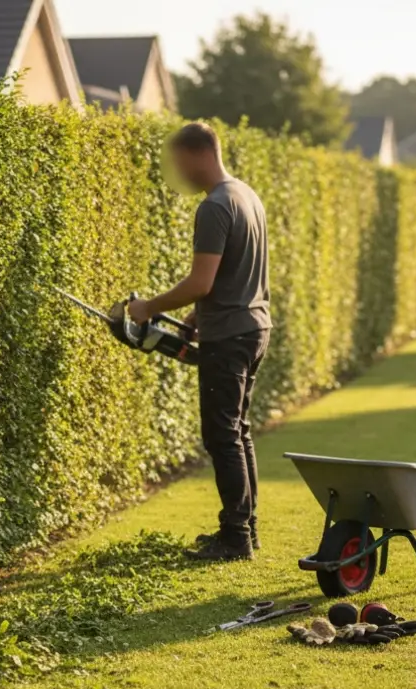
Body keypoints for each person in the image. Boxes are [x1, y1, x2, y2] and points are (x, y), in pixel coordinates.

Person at [127, 122, 271, 561]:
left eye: (180, 163)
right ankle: (245, 529)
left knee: (222, 435)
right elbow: (232, 276)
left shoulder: (214, 206)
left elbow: (201, 282)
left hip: (229, 335)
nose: (179, 173)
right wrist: (196, 315)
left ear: (198, 154)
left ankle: (235, 539)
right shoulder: (246, 195)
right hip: (254, 327)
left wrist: (149, 307)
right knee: (238, 431)